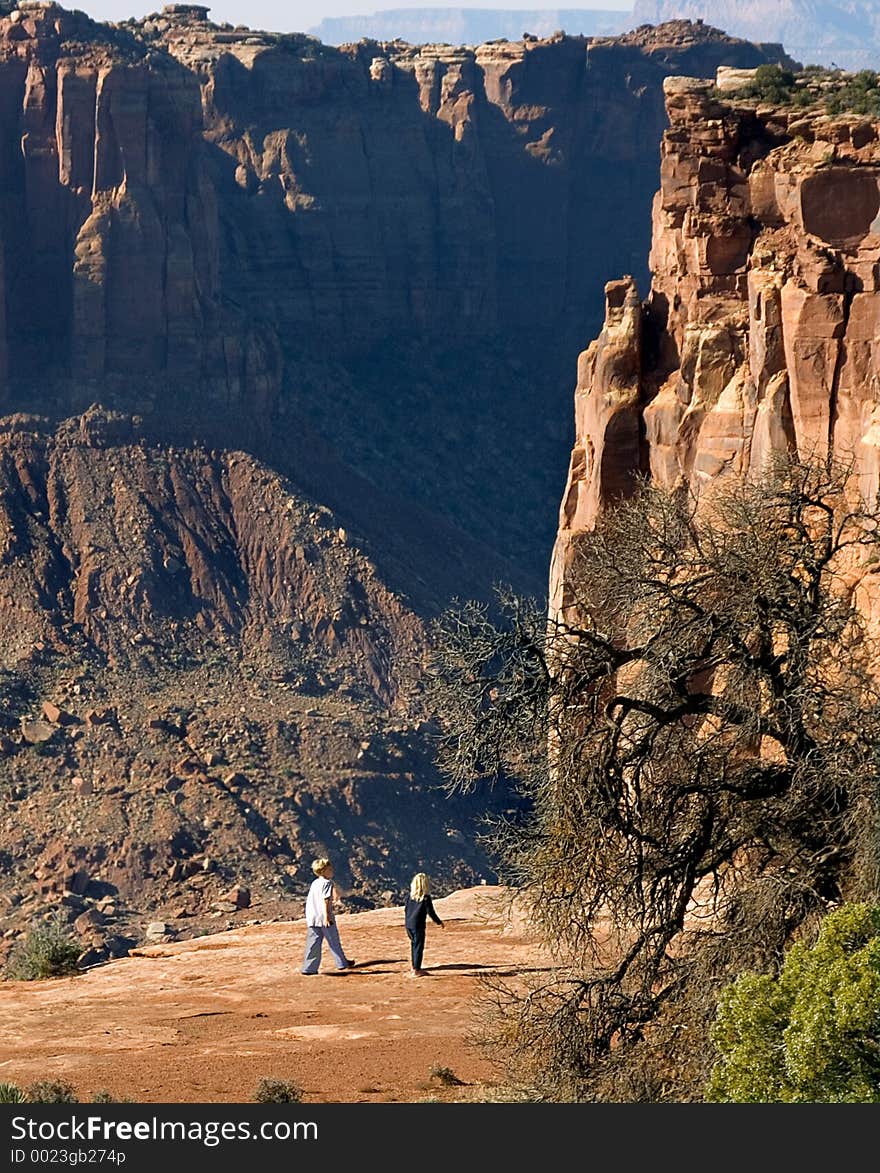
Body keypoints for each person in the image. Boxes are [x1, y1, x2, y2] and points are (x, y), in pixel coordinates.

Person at [300, 857, 356, 974]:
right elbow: (326, 900)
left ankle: (309, 968)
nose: (332, 871)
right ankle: (341, 963)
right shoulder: (327, 883)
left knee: (313, 943)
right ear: (323, 871)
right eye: (330, 869)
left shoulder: (315, 883)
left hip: (313, 917)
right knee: (333, 940)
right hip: (323, 917)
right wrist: (327, 917)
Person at [405, 872, 444, 976]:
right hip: (418, 925)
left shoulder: (410, 897)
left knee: (414, 945)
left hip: (409, 925)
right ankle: (416, 970)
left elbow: (406, 910)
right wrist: (439, 922)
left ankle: (414, 966)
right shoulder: (426, 898)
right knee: (418, 946)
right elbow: (431, 912)